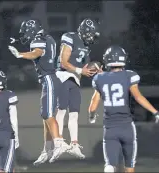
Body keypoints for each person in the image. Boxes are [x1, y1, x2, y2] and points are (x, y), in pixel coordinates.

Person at [88, 45, 159, 173]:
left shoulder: (100, 78)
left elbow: (93, 103)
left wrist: (92, 116)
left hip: (110, 128)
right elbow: (138, 97)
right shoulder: (129, 75)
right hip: (127, 127)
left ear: (107, 60)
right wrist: (157, 113)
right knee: (129, 167)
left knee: (110, 164)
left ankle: (109, 167)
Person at [8, 19, 70, 165]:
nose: (24, 35)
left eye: (25, 32)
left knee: (48, 114)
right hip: (51, 78)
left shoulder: (39, 40)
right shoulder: (48, 38)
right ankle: (47, 149)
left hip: (48, 79)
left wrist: (20, 55)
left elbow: (37, 52)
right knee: (45, 117)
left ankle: (59, 143)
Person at [55, 18, 100, 159]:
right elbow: (63, 62)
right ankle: (59, 142)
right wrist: (81, 71)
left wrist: (98, 72)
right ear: (85, 32)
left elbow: (85, 69)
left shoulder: (86, 47)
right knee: (62, 109)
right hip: (63, 76)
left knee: (74, 113)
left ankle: (74, 144)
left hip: (75, 79)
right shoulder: (70, 37)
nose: (92, 37)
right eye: (91, 34)